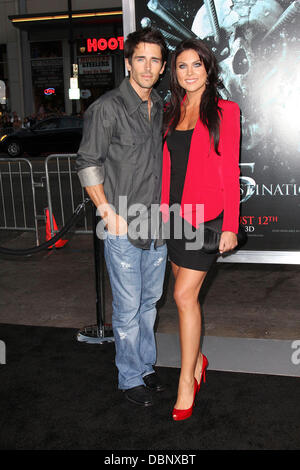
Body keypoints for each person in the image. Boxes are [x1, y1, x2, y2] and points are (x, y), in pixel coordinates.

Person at [76, 28, 168, 407]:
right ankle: (129, 376)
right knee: (128, 308)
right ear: (128, 62)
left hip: (157, 226)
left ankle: (144, 365)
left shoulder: (161, 105)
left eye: (155, 60)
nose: (147, 67)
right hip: (122, 227)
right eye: (140, 58)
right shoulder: (108, 108)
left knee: (150, 303)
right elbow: (87, 162)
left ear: (162, 68)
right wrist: (106, 211)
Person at [161, 39, 241, 421]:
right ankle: (198, 360)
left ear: (208, 69)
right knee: (183, 299)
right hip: (174, 216)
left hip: (205, 217)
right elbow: (167, 167)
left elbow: (230, 170)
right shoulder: (172, 109)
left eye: (196, 65)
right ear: (174, 73)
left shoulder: (226, 110)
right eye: (181, 66)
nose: (189, 72)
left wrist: (231, 226)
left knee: (182, 296)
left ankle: (185, 383)